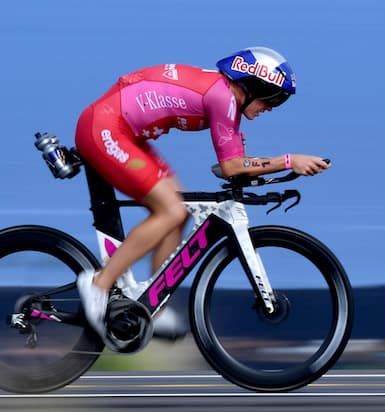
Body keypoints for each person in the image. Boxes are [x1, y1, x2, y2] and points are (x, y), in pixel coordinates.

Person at [74, 46, 330, 349]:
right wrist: (289, 160)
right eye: (272, 98)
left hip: (123, 132)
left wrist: (266, 169)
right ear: (252, 85)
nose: (272, 108)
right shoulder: (223, 98)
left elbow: (231, 168)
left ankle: (150, 305)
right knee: (170, 210)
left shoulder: (226, 100)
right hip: (105, 128)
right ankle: (99, 285)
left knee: (176, 210)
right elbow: (231, 166)